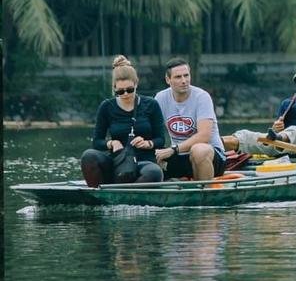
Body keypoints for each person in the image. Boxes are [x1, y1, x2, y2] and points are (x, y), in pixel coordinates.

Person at [81, 55, 169, 187]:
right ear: (114, 88)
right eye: (121, 91)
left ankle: (126, 195)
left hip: (143, 161)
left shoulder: (151, 104)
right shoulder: (107, 106)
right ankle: (100, 195)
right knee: (88, 156)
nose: (126, 94)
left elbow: (161, 139)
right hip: (118, 161)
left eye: (130, 90)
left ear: (136, 83)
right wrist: (111, 143)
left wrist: (147, 143)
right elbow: (97, 142)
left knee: (154, 172)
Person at [154, 57, 226, 180]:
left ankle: (206, 195)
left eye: (186, 75)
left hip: (211, 154)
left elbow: (204, 136)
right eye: (178, 77)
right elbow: (151, 130)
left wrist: (174, 149)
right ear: (168, 80)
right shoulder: (160, 98)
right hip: (180, 155)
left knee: (198, 150)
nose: (184, 81)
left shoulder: (202, 97)